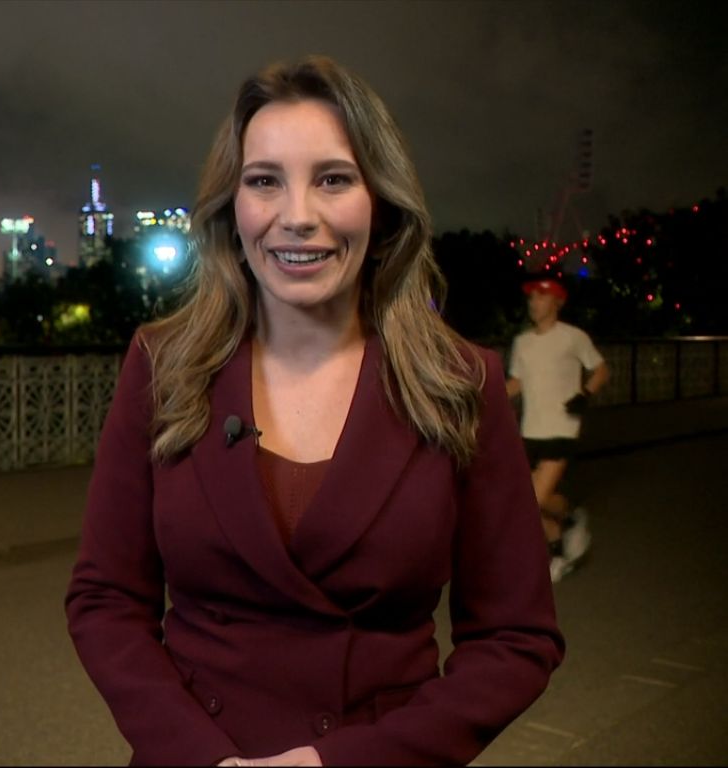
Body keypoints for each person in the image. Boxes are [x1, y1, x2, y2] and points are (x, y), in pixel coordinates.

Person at [64, 55, 563, 766]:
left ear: (381, 202)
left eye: (333, 179)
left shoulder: (460, 383)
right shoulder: (161, 365)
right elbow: (106, 599)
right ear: (231, 207)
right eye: (264, 181)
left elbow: (517, 638)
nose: (297, 217)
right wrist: (202, 758)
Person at [505, 278, 609, 582]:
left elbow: (601, 369)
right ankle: (564, 531)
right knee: (526, 499)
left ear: (557, 302)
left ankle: (563, 540)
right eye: (531, 298)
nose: (534, 303)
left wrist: (585, 394)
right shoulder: (522, 342)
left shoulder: (573, 337)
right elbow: (517, 383)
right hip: (530, 431)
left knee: (532, 500)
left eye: (541, 297)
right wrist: (481, 397)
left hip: (562, 428)